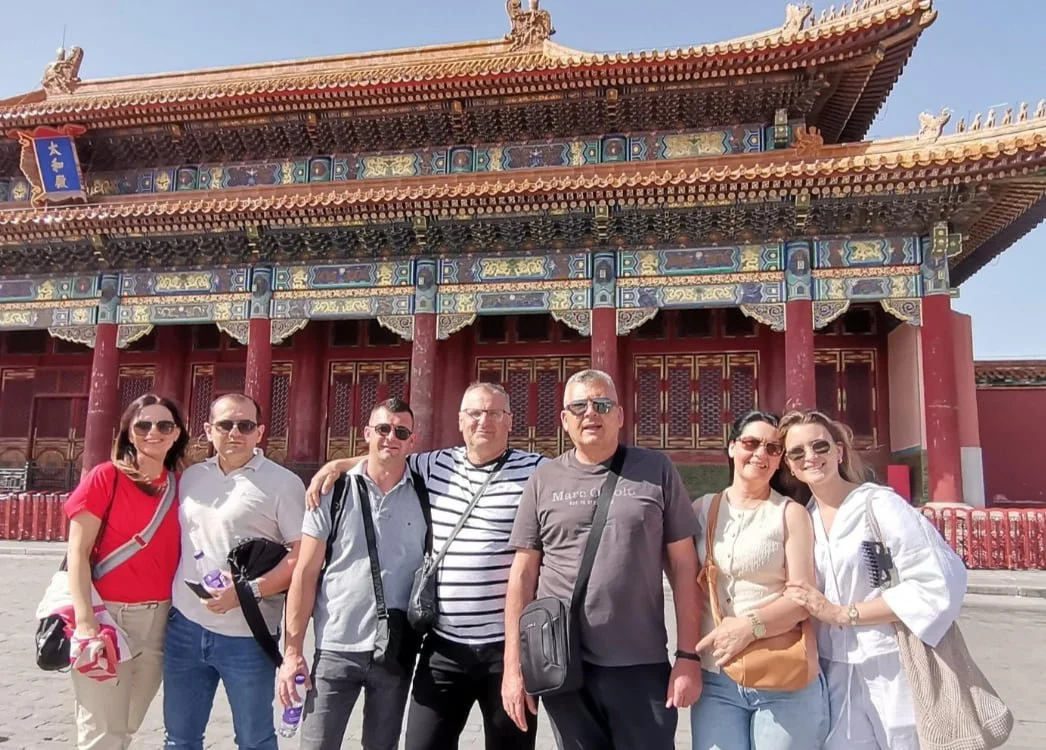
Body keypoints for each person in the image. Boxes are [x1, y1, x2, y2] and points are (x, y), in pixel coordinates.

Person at [307, 382, 545, 750]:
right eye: (475, 413)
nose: (484, 421)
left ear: (510, 421)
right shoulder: (434, 465)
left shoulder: (537, 470)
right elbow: (386, 457)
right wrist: (337, 465)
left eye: (494, 413)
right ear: (460, 421)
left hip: (505, 648)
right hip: (443, 647)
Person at [505, 369, 702, 750]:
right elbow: (523, 574)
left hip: (639, 663)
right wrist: (514, 666)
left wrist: (688, 655)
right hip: (561, 662)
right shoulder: (544, 479)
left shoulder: (655, 469)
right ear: (564, 419)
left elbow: (683, 567)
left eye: (602, 404)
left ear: (620, 415)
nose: (590, 413)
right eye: (578, 406)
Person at [778, 409, 967, 750]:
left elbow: (935, 582)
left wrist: (842, 613)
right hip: (833, 668)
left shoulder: (879, 505)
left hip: (892, 664)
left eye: (820, 446)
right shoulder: (803, 519)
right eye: (797, 453)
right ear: (789, 465)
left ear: (839, 451)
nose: (810, 457)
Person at [279, 398, 426, 750]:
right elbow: (305, 572)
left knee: (382, 745)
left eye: (400, 431)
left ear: (412, 440)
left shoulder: (426, 489)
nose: (390, 437)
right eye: (382, 429)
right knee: (316, 745)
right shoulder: (333, 491)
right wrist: (293, 651)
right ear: (366, 433)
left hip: (395, 645)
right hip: (335, 645)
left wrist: (338, 462)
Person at [163, 393, 306, 750]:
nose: (234, 433)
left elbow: (303, 556)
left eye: (244, 425)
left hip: (247, 636)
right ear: (209, 431)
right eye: (225, 425)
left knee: (254, 739)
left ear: (259, 433)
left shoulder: (282, 483)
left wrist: (248, 591)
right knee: (180, 738)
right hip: (185, 628)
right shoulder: (191, 478)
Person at [690, 410, 828, 750]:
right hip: (718, 677)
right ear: (732, 447)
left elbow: (801, 598)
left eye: (773, 448)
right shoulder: (702, 510)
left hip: (783, 675)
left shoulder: (789, 513)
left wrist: (748, 627)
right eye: (751, 443)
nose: (760, 454)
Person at [64, 393, 188, 750]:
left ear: (177, 433)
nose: (154, 432)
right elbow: (78, 551)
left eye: (164, 425)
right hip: (108, 617)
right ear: (128, 433)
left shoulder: (183, 485)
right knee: (103, 731)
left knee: (128, 721)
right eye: (143, 425)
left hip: (161, 620)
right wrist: (86, 622)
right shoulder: (107, 478)